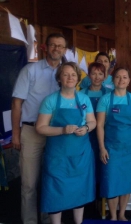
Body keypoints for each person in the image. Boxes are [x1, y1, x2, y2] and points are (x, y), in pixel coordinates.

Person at [11, 33, 66, 224]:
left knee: (50, 180)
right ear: (45, 47)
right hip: (31, 132)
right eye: (53, 45)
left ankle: (48, 218)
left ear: (64, 50)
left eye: (60, 46)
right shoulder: (30, 70)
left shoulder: (67, 73)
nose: (56, 49)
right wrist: (16, 134)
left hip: (57, 135)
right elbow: (17, 103)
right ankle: (30, 221)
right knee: (29, 183)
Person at [36, 62, 96, 224]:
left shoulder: (84, 99)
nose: (70, 78)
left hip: (80, 155)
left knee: (79, 189)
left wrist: (86, 127)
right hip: (58, 156)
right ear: (59, 78)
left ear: (78, 78)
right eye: (66, 74)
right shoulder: (50, 100)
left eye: (73, 75)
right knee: (55, 192)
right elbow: (40, 127)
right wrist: (62, 130)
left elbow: (92, 121)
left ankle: (79, 222)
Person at [97, 67, 131, 221]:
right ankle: (112, 216)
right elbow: (99, 125)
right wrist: (102, 148)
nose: (121, 80)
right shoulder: (105, 99)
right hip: (111, 149)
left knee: (127, 182)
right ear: (113, 80)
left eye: (124, 77)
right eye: (118, 77)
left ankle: (121, 214)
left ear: (129, 81)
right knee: (112, 182)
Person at [80, 62, 111, 182]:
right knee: (88, 165)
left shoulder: (109, 93)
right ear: (88, 75)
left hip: (105, 134)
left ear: (105, 76)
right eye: (93, 73)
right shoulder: (81, 94)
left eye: (100, 74)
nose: (97, 77)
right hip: (86, 135)